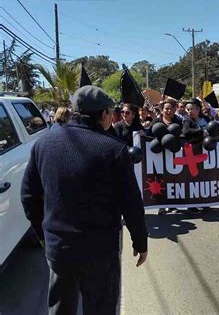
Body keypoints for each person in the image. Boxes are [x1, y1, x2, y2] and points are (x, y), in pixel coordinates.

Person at [21, 86, 148, 315]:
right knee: (101, 308)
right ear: (104, 115)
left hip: (59, 248)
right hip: (101, 253)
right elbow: (131, 203)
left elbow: (29, 196)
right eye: (110, 112)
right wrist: (140, 242)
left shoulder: (43, 144)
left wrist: (44, 235)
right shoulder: (114, 150)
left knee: (61, 309)